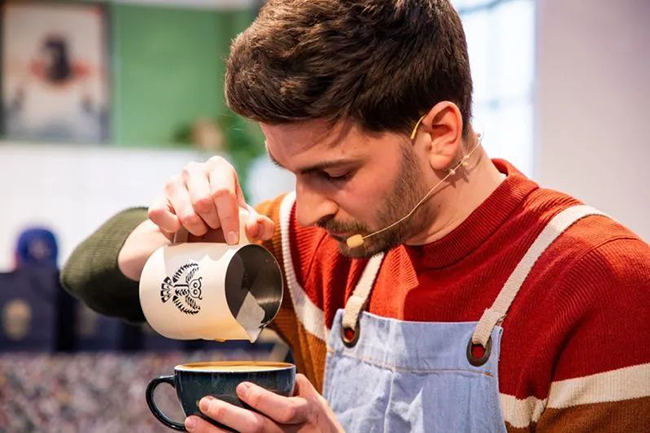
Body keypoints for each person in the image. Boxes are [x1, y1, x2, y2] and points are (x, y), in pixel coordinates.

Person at [62, 0, 650, 431]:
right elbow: (88, 275)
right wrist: (174, 228)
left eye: (334, 172)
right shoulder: (325, 245)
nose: (307, 208)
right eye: (290, 171)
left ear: (439, 134)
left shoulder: (604, 288)